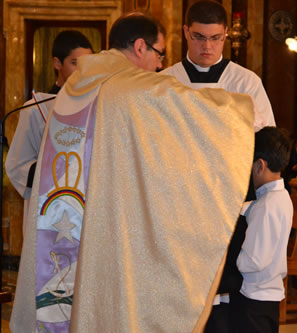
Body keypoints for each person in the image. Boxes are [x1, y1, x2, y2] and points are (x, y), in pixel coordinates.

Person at [10, 13, 255, 333]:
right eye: (159, 54)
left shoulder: (79, 86)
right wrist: (238, 109)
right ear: (140, 46)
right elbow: (194, 112)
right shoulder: (129, 87)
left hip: (69, 226)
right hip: (109, 229)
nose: (158, 65)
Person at [5, 30, 92, 235]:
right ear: (57, 63)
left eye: (88, 64)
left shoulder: (96, 106)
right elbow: (18, 166)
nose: (83, 71)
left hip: (85, 211)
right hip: (48, 210)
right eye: (74, 62)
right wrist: (60, 168)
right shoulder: (36, 108)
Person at [161, 0, 275, 132]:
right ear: (186, 32)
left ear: (225, 33)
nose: (207, 46)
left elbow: (268, 143)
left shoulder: (246, 82)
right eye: (199, 37)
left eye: (215, 37)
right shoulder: (164, 82)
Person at [230, 127, 293, 333]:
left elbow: (254, 260)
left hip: (254, 299)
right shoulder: (282, 197)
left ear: (260, 165)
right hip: (270, 296)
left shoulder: (266, 204)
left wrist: (233, 260)